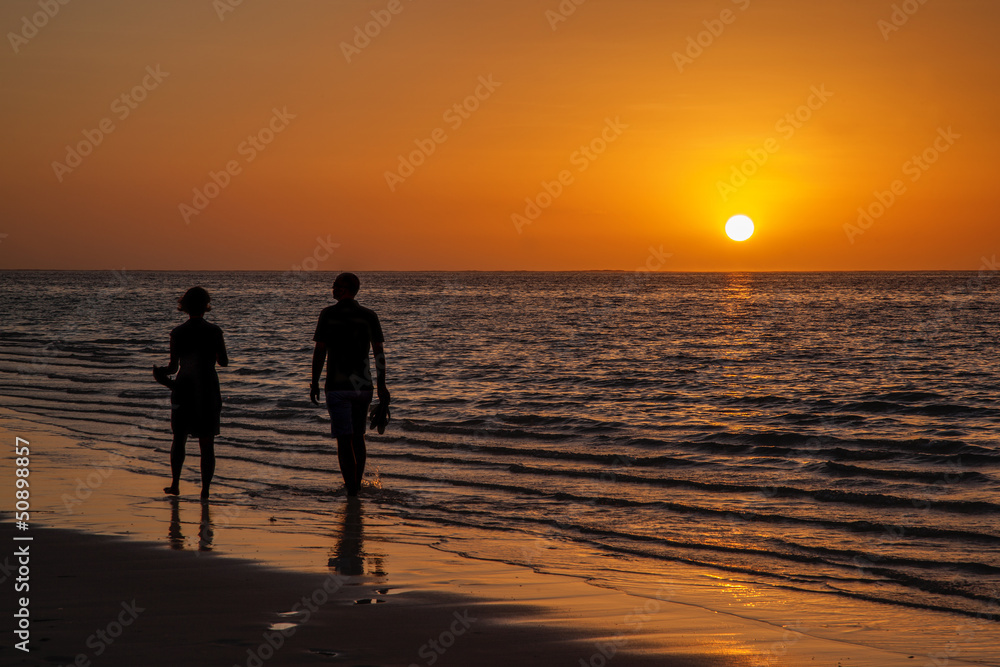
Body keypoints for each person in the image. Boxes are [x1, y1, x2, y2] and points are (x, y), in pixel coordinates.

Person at [310, 273, 389, 497]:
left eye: (336, 286)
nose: (333, 288)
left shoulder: (328, 314)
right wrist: (382, 385)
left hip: (337, 386)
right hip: (363, 387)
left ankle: (351, 489)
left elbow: (320, 351)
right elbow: (379, 352)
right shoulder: (369, 316)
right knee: (358, 437)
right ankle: (356, 485)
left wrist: (314, 381)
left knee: (344, 440)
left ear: (346, 289)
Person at [154, 286, 228, 500]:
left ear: (184, 306)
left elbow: (173, 367)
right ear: (206, 305)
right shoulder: (214, 331)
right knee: (207, 442)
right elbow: (223, 362)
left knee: (179, 438)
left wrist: (160, 374)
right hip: (207, 389)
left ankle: (175, 484)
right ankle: (205, 491)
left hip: (183, 388)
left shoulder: (178, 332)